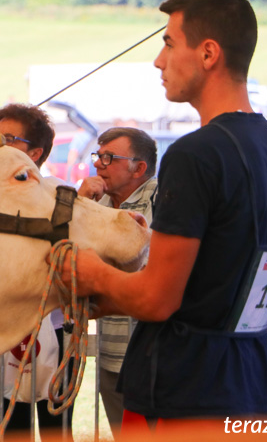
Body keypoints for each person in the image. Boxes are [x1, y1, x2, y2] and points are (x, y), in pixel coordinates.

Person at [61, 0, 267, 428]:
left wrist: (90, 272)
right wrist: (111, 298)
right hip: (251, 377)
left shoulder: (196, 154)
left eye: (169, 43)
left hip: (183, 390)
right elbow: (216, 287)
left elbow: (158, 299)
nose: (159, 60)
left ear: (208, 53)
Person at [0, 103, 72, 440]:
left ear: (35, 152)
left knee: (57, 432)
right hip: (2, 325)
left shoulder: (61, 195)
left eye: (8, 138)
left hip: (54, 328)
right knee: (10, 432)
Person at [78, 127, 157, 438]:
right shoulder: (97, 205)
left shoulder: (161, 195)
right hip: (111, 352)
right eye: (98, 155)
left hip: (151, 353)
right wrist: (80, 204)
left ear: (139, 168)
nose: (98, 164)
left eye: (109, 157)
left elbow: (149, 259)